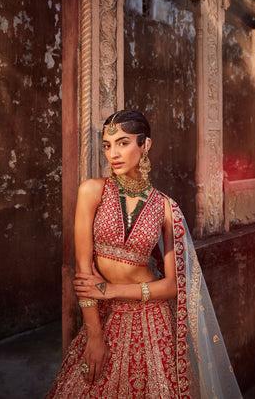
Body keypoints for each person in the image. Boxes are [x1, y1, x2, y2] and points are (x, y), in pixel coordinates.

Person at [46, 110, 242, 398]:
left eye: (123, 143)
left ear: (145, 145)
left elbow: (173, 285)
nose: (113, 153)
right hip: (106, 318)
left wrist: (111, 290)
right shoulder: (93, 191)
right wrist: (95, 335)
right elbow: (83, 272)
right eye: (107, 145)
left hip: (152, 320)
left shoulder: (165, 207)